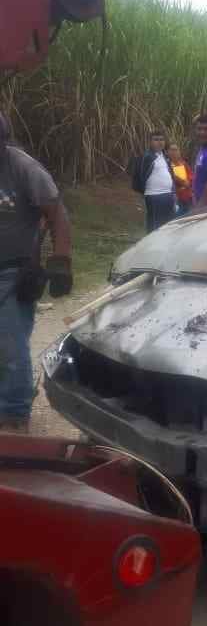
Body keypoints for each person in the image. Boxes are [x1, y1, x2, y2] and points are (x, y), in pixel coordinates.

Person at [0, 111, 73, 434]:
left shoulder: (23, 168)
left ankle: (14, 415)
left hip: (14, 272)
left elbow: (56, 213)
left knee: (11, 344)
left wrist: (60, 261)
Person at [131, 131, 176, 232]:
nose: (159, 142)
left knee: (168, 225)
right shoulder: (146, 157)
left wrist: (173, 192)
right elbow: (139, 176)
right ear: (150, 142)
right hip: (154, 196)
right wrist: (143, 192)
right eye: (156, 140)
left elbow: (170, 175)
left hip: (168, 195)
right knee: (155, 226)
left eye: (161, 140)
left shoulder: (165, 157)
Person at [168, 143, 194, 212]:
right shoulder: (167, 165)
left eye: (176, 150)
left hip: (187, 196)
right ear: (168, 152)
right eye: (172, 150)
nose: (174, 152)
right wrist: (181, 181)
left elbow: (191, 177)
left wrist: (188, 182)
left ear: (179, 152)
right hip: (175, 198)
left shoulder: (184, 164)